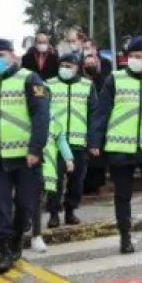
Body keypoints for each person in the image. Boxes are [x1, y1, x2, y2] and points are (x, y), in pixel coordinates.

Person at [88, 36, 142, 255]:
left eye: (138, 56)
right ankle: (125, 236)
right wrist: (95, 139)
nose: (133, 60)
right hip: (120, 146)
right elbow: (102, 111)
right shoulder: (115, 79)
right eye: (131, 56)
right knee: (123, 194)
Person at [0, 38, 50, 274]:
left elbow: (41, 116)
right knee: (0, 205)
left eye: (1, 55)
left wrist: (35, 149)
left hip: (24, 156)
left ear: (12, 55)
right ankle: (5, 249)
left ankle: (17, 236)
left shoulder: (29, 79)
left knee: (26, 205)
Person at [46, 53, 96, 228]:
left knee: (76, 182)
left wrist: (93, 141)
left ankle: (70, 211)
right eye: (63, 65)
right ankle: (53, 213)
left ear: (77, 68)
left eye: (70, 66)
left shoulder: (87, 86)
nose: (65, 69)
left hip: (78, 142)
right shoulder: (49, 85)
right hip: (55, 143)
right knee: (55, 181)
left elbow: (93, 115)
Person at [35, 117, 75, 252]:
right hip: (30, 164)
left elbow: (61, 140)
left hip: (49, 165)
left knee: (43, 196)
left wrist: (68, 159)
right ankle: (26, 222)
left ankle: (38, 230)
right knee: (29, 198)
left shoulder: (55, 121)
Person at [81, 52, 110, 196]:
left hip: (100, 121)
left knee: (98, 157)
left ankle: (97, 185)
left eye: (93, 63)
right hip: (83, 121)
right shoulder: (80, 82)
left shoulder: (103, 81)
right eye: (88, 64)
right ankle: (86, 185)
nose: (90, 66)